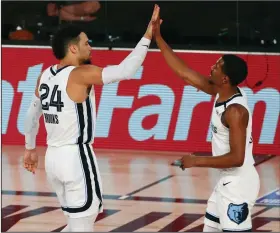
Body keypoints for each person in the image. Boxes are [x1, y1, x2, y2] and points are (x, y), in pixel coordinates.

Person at [23, 4, 160, 232]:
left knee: (80, 221)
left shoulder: (45, 75)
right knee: (83, 223)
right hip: (75, 157)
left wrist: (29, 148)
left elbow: (31, 114)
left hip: (53, 159)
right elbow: (126, 70)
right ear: (73, 49)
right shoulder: (81, 74)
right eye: (86, 42)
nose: (90, 46)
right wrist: (148, 36)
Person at [152, 9, 260, 232]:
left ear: (225, 78)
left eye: (217, 65)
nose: (212, 66)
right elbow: (184, 73)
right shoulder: (222, 90)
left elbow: (238, 158)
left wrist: (195, 161)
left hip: (238, 185)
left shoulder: (235, 111)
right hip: (226, 182)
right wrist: (158, 38)